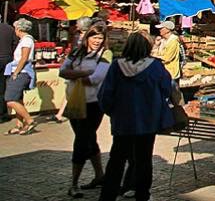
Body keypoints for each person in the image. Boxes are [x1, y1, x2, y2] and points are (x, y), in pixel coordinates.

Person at [98, 32, 174, 201]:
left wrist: (113, 112)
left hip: (123, 122)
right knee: (143, 161)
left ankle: (107, 196)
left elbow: (105, 95)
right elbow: (167, 88)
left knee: (116, 160)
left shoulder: (117, 66)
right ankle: (142, 195)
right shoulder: (155, 66)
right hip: (147, 121)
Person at [60, 25, 112, 197]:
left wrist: (75, 73)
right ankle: (100, 176)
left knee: (82, 140)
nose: (97, 41)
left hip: (94, 103)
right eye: (94, 37)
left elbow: (95, 79)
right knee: (89, 138)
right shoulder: (76, 52)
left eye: (100, 38)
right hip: (75, 101)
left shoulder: (105, 55)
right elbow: (62, 71)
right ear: (87, 37)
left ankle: (73, 183)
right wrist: (84, 72)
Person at [4, 18, 37, 135]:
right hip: (21, 71)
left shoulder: (26, 41)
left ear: (19, 29)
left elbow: (24, 58)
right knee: (18, 99)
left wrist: (16, 72)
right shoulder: (24, 40)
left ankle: (29, 120)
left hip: (22, 72)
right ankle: (19, 124)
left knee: (10, 100)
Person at [0, 17, 18, 122]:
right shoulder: (9, 28)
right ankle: (2, 114)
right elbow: (15, 44)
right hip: (7, 60)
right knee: (3, 88)